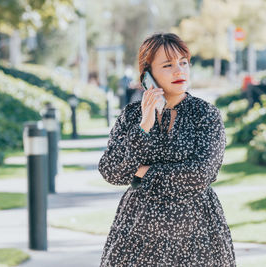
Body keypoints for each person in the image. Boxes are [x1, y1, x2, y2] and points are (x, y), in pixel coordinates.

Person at [98, 32, 236, 266]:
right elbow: (111, 171)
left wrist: (142, 173)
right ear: (148, 75)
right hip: (138, 233)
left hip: (196, 232)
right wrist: (144, 125)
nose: (179, 71)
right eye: (168, 65)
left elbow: (201, 174)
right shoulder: (132, 116)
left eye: (183, 63)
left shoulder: (205, 115)